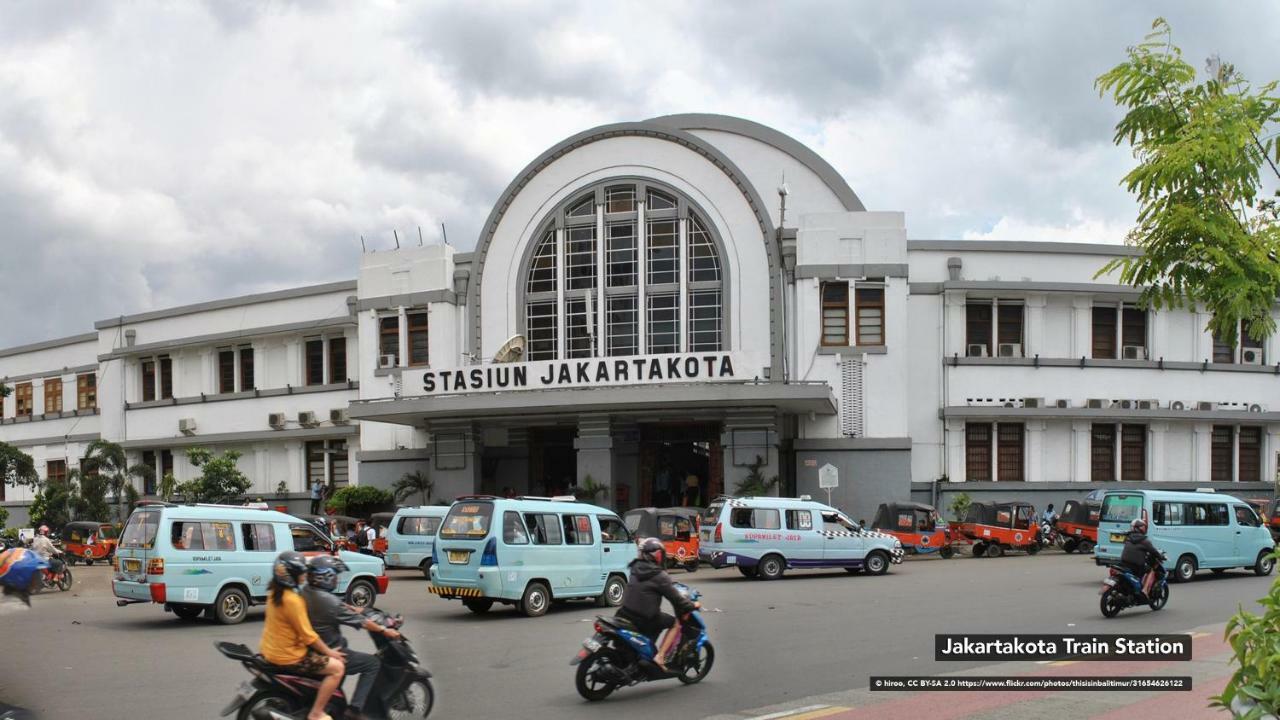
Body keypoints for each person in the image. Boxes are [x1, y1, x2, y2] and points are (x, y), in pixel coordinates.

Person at [303, 556, 400, 720]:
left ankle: (332, 701)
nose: (336, 579)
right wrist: (385, 630)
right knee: (372, 663)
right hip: (330, 651)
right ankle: (355, 710)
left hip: (311, 648)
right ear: (325, 576)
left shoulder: (308, 591)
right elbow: (363, 623)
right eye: (334, 575)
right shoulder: (328, 601)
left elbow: (341, 608)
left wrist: (357, 608)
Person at [259, 551, 345, 720]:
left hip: (269, 651)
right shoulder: (293, 601)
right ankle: (316, 713)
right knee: (338, 668)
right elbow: (309, 636)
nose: (305, 575)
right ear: (291, 576)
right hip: (289, 657)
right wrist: (331, 653)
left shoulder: (273, 593)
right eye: (301, 572)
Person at [615, 537, 699, 671]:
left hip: (624, 613)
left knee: (660, 619)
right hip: (645, 618)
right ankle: (660, 657)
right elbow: (677, 600)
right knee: (675, 624)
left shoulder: (635, 567)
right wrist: (693, 605)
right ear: (659, 555)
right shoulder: (659, 576)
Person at [1120, 518, 1161, 596]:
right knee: (1150, 570)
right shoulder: (1144, 541)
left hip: (1123, 563)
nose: (1145, 528)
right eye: (1144, 527)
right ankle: (1145, 590)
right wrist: (1160, 557)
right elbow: (1153, 551)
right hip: (1135, 566)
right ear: (1141, 528)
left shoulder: (1128, 537)